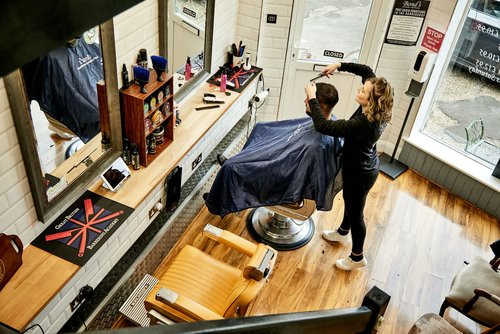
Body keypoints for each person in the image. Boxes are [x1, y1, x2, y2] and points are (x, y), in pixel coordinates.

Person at [305, 62, 393, 271]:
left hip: (360, 173)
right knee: (349, 202)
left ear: (370, 100)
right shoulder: (378, 102)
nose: (359, 89)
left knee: (356, 213)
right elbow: (366, 71)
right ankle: (343, 232)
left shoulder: (363, 124)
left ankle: (357, 257)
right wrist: (339, 65)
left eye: (363, 91)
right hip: (364, 164)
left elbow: (323, 125)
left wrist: (312, 97)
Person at [204, 83, 342, 217]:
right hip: (286, 160)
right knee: (261, 128)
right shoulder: (332, 123)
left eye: (309, 99)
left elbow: (299, 178)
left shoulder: (317, 146)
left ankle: (216, 201)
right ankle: (241, 162)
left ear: (319, 105)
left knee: (229, 168)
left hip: (282, 177)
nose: (305, 100)